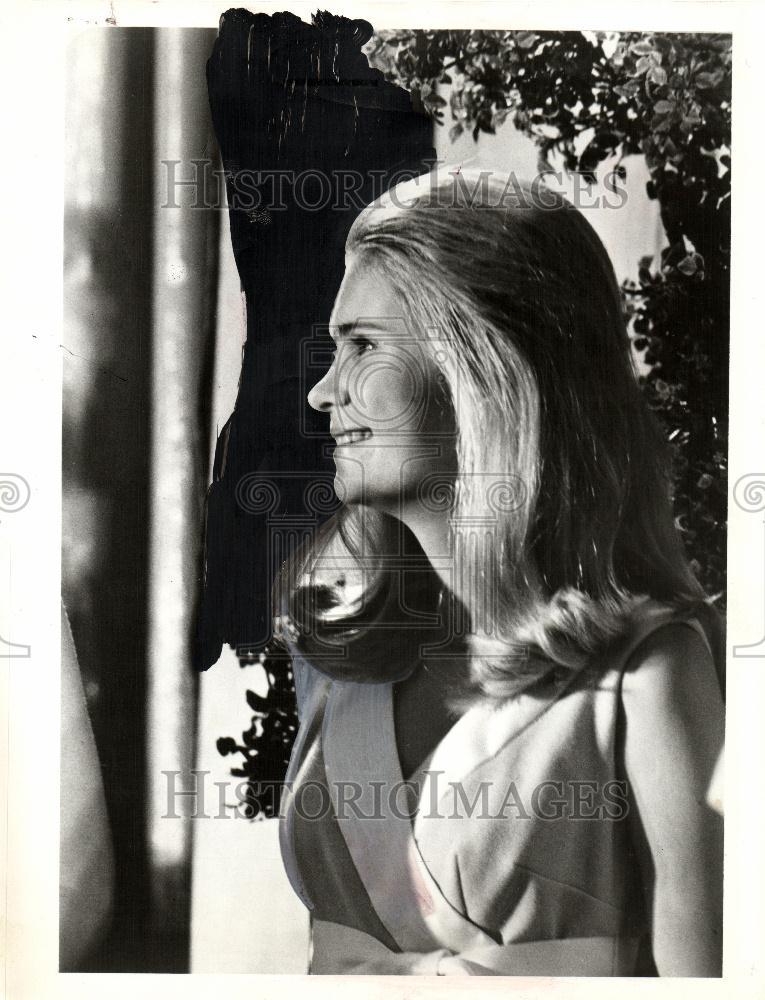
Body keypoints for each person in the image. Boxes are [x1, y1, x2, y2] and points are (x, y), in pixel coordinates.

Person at [273, 169, 725, 976]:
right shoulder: (332, 659)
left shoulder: (651, 674)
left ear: (482, 365)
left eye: (362, 347)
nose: (320, 391)